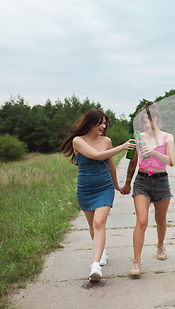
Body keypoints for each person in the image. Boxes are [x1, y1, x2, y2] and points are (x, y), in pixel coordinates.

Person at [59, 109, 135, 282]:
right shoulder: (78, 141)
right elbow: (96, 156)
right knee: (93, 226)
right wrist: (122, 147)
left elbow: (111, 166)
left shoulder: (107, 140)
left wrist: (118, 186)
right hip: (85, 189)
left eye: (105, 123)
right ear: (90, 122)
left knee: (99, 222)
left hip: (105, 187)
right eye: (100, 122)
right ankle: (101, 252)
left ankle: (95, 266)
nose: (103, 126)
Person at [121, 101, 175, 277]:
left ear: (156, 119)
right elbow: (133, 161)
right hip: (142, 181)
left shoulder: (168, 137)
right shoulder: (139, 138)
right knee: (142, 221)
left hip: (161, 181)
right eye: (142, 123)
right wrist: (127, 182)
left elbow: (171, 161)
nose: (145, 125)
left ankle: (160, 245)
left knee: (160, 219)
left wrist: (154, 152)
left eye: (147, 122)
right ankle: (136, 261)